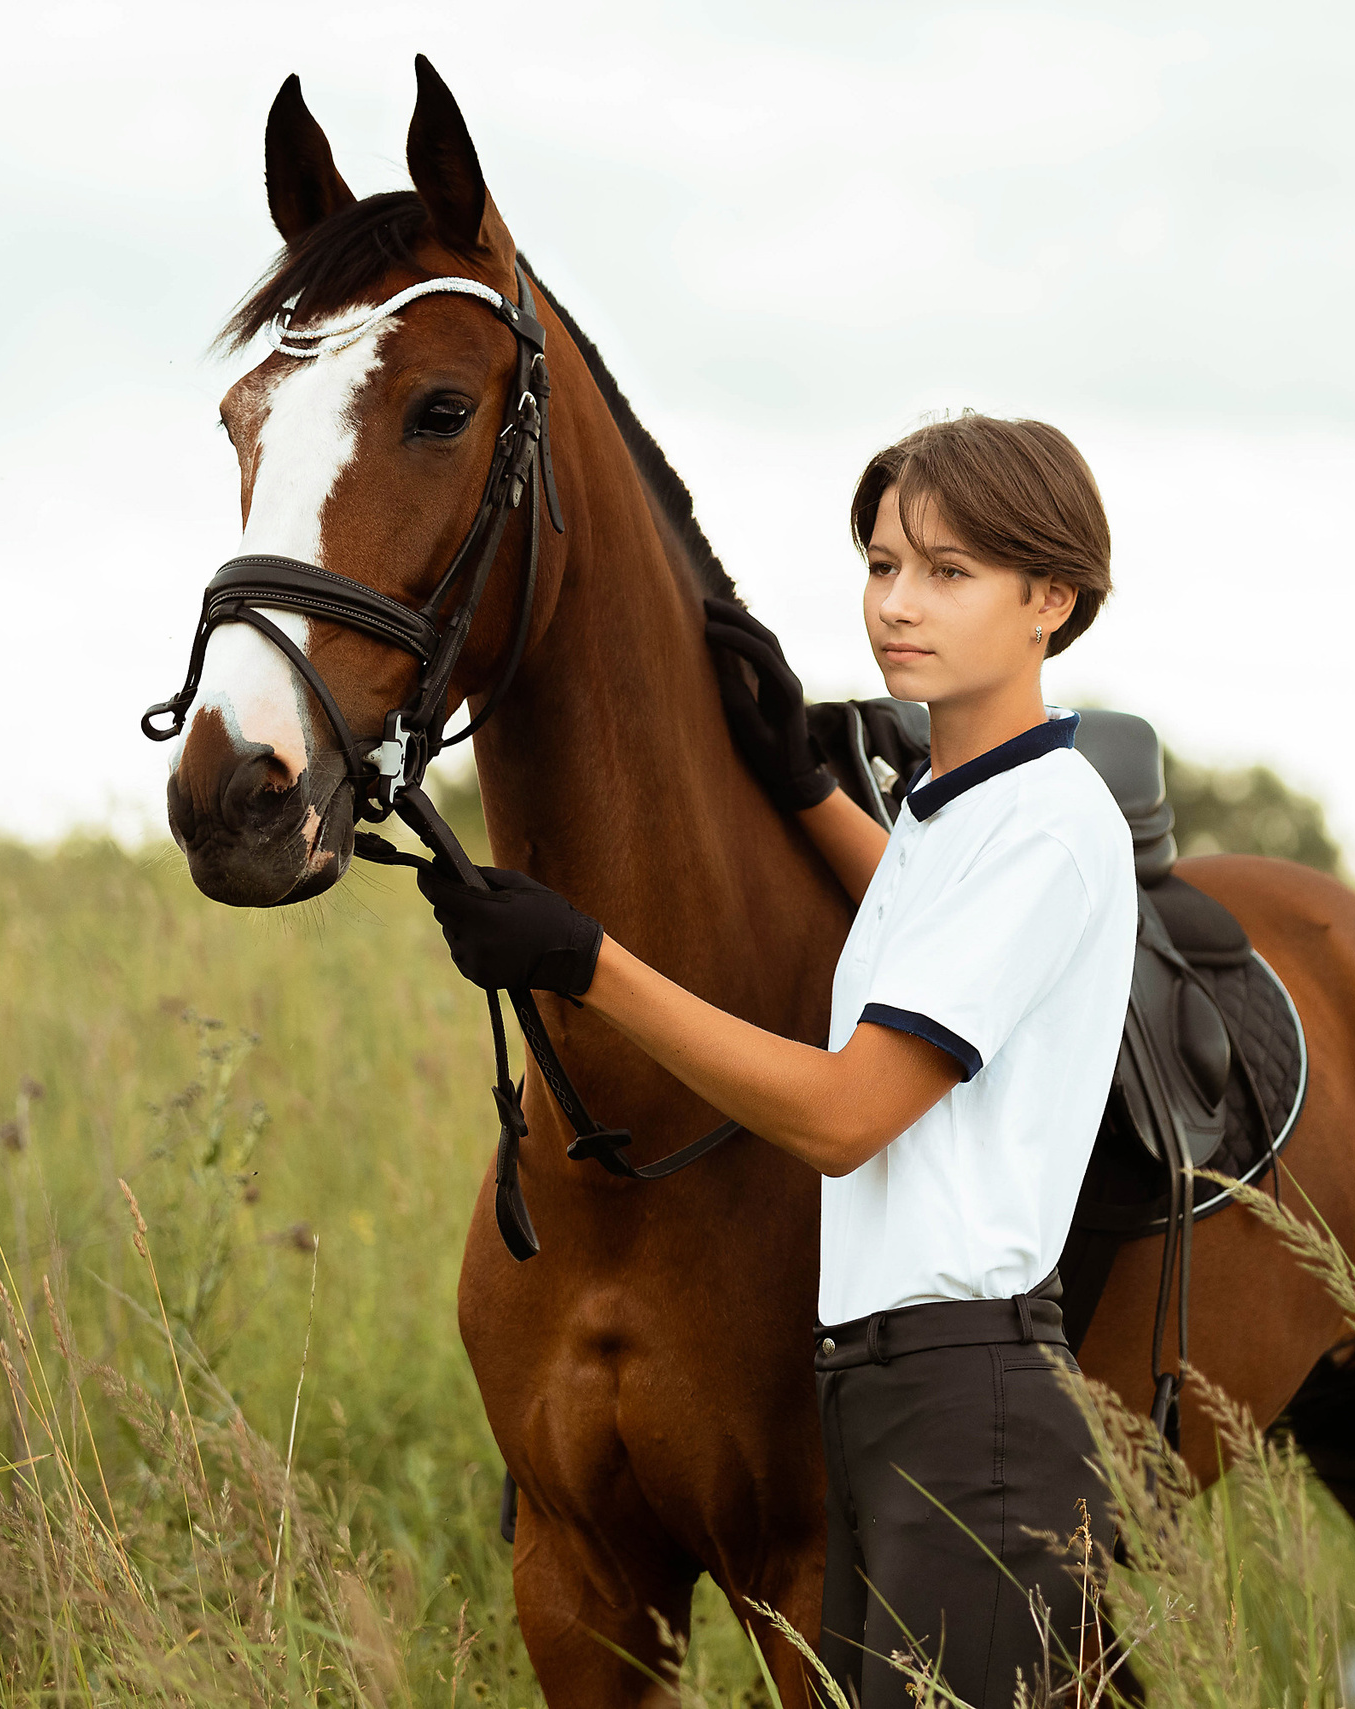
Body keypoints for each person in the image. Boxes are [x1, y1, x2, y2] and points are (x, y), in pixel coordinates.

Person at [415, 411, 1137, 1706]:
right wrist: (805, 783)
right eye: (880, 564)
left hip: (965, 1401)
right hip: (873, 1389)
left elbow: (849, 1113)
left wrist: (591, 961)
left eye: (948, 572)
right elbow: (908, 916)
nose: (897, 605)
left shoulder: (1045, 821)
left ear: (1051, 598)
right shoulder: (955, 806)